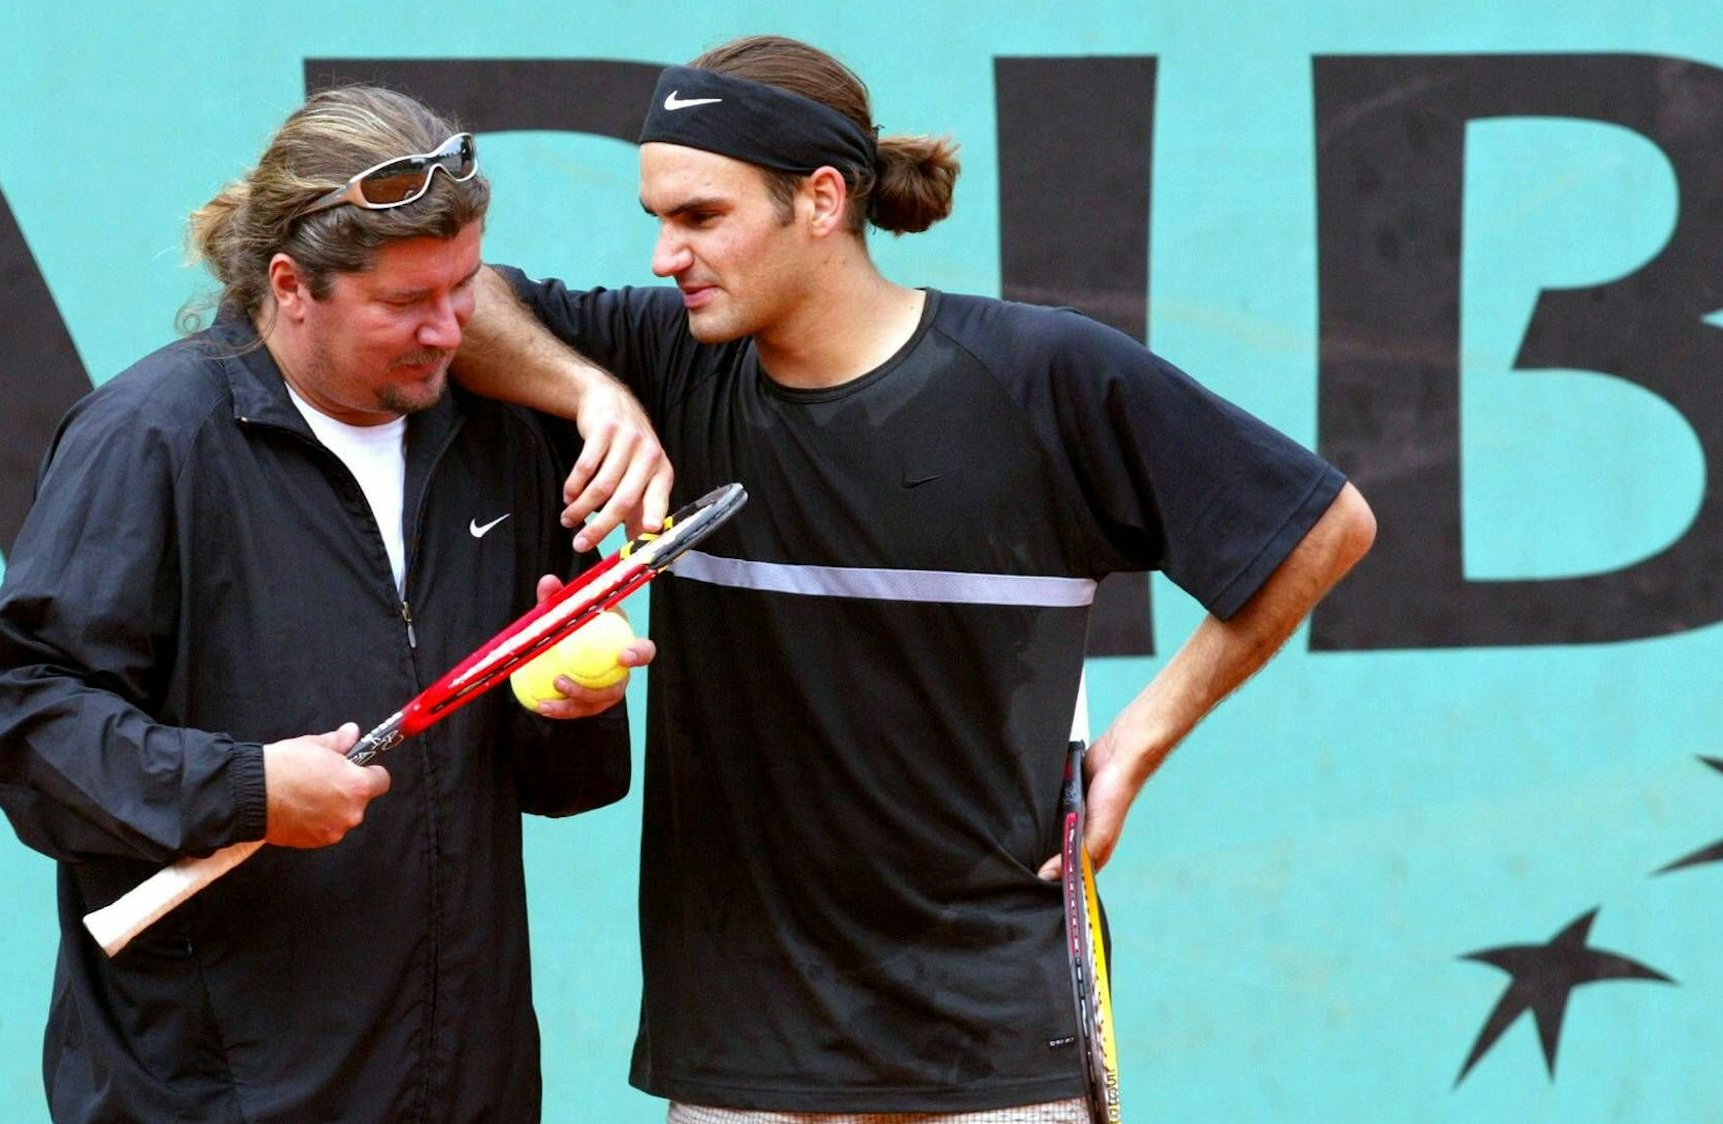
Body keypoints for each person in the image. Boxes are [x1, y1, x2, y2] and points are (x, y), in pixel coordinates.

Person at [452, 34, 1378, 1124]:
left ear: (823, 200)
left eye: (701, 217)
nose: (666, 254)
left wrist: (1138, 742)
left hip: (997, 1047)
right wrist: (588, 394)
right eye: (658, 218)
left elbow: (1324, 525)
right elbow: (468, 304)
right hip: (747, 1055)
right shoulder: (667, 357)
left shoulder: (1042, 374)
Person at [0, 87, 649, 1124]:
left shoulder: (499, 438)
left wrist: (567, 709)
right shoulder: (151, 437)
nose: (451, 328)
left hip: (471, 1083)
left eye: (465, 287)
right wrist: (243, 789)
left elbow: (537, 779)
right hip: (206, 1094)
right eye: (408, 301)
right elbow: (21, 711)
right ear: (290, 285)